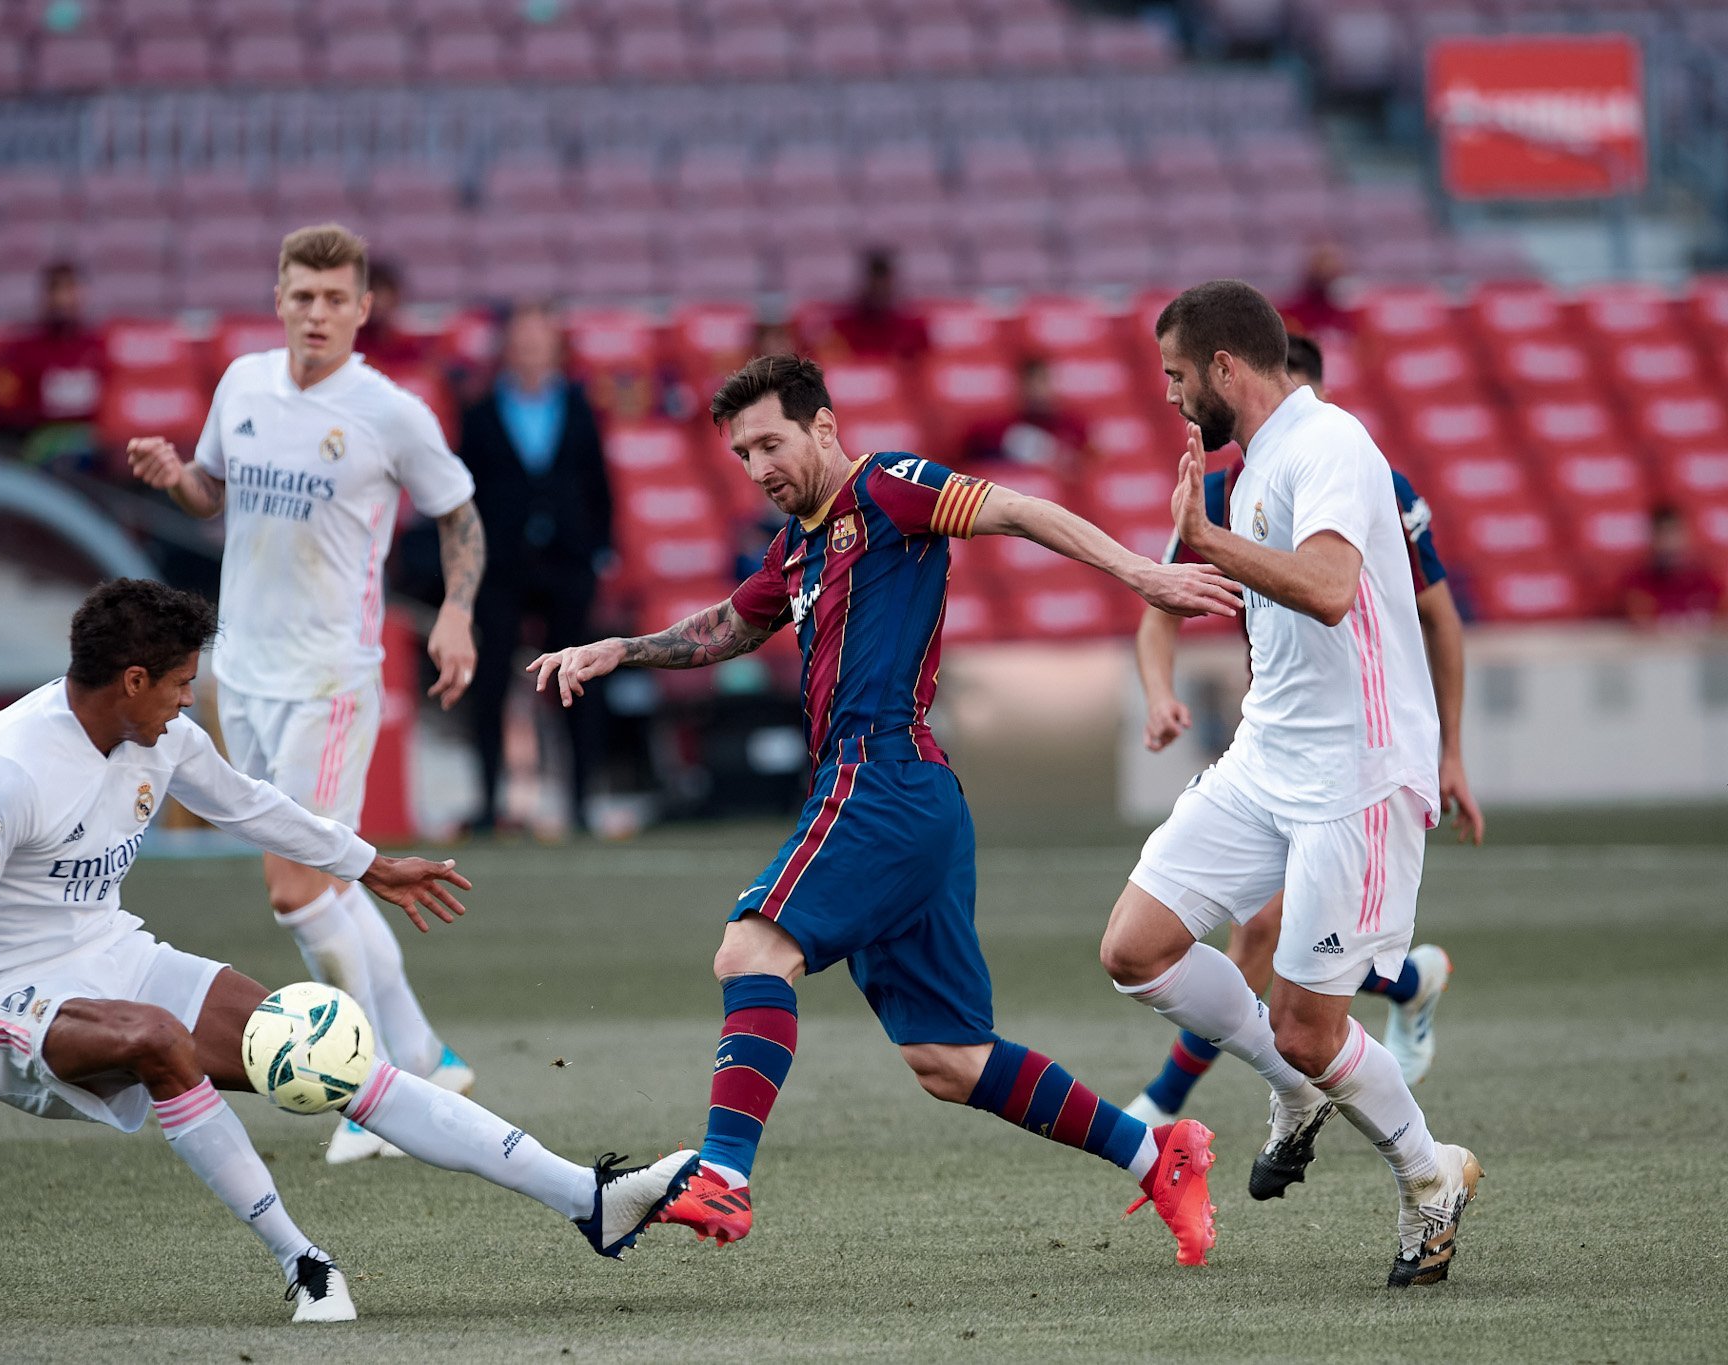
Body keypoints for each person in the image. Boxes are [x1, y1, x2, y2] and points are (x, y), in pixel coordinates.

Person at [527, 355, 1243, 1265]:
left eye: (772, 442)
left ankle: (725, 1174)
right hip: (911, 797)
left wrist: (1142, 572)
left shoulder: (889, 487)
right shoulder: (798, 548)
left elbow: (1018, 508)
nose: (757, 466)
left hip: (882, 777)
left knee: (752, 949)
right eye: (742, 452)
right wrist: (620, 648)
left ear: (824, 428)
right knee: (949, 1059)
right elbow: (726, 629)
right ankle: (1156, 1153)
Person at [0, 579, 698, 1320]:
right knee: (158, 1038)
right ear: (133, 679)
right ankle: (305, 1262)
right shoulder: (1, 771)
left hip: (110, 953)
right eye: (178, 684)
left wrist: (368, 864)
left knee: (323, 1053)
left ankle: (591, 1198)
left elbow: (248, 805)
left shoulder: (160, 737)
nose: (186, 701)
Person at [1099, 281, 1483, 1289]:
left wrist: (1207, 537)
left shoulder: (1331, 446)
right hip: (1269, 756)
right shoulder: (1252, 464)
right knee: (1133, 951)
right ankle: (1293, 1085)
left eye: (1179, 376)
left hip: (1355, 775)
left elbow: (1322, 589)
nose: (1173, 397)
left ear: (1225, 367)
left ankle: (1424, 1177)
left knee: (1310, 1026)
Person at [126, 224, 487, 1165]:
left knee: (295, 887)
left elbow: (459, 514)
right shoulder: (242, 384)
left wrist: (456, 611)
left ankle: (368, 1092)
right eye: (302, 296)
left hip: (329, 680)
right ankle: (420, 1056)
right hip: (240, 671)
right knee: (332, 879)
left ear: (363, 309)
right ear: (279, 298)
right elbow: (211, 490)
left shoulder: (391, 412)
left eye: (335, 299)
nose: (317, 313)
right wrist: (178, 480)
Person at [458, 301, 615, 834]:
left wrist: (598, 551)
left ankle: (580, 803)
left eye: (538, 341)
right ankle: (487, 801)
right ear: (508, 350)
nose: (529, 352)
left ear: (553, 348)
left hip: (566, 565)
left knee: (578, 682)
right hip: (501, 567)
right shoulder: (479, 413)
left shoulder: (578, 408)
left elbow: (598, 485)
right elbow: (465, 494)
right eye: (521, 342)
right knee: (488, 685)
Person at [0, 261, 109, 466]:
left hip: (97, 448)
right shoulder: (19, 351)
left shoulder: (99, 347)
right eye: (57, 289)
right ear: (45, 296)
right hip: (40, 448)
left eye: (70, 289)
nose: (63, 299)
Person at [960, 357, 1090, 472]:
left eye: (1044, 381)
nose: (1039, 390)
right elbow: (965, 465)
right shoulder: (992, 430)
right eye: (1033, 383)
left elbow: (1089, 468)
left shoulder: (1074, 427)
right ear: (1020, 386)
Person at [809, 248, 931, 362]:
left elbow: (925, 368)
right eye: (875, 279)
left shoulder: (914, 329)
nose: (879, 287)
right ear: (865, 281)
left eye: (884, 280)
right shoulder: (842, 328)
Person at [1615, 505, 1724, 627]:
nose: (1669, 544)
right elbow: (1643, 630)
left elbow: (1722, 625)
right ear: (1651, 540)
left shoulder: (1705, 582)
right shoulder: (1638, 585)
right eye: (1662, 535)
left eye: (1674, 534)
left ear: (1686, 536)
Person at [350, 258, 435, 371]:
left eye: (384, 293)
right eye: (371, 290)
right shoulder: (348, 344)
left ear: (396, 297)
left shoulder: (410, 345)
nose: (377, 301)